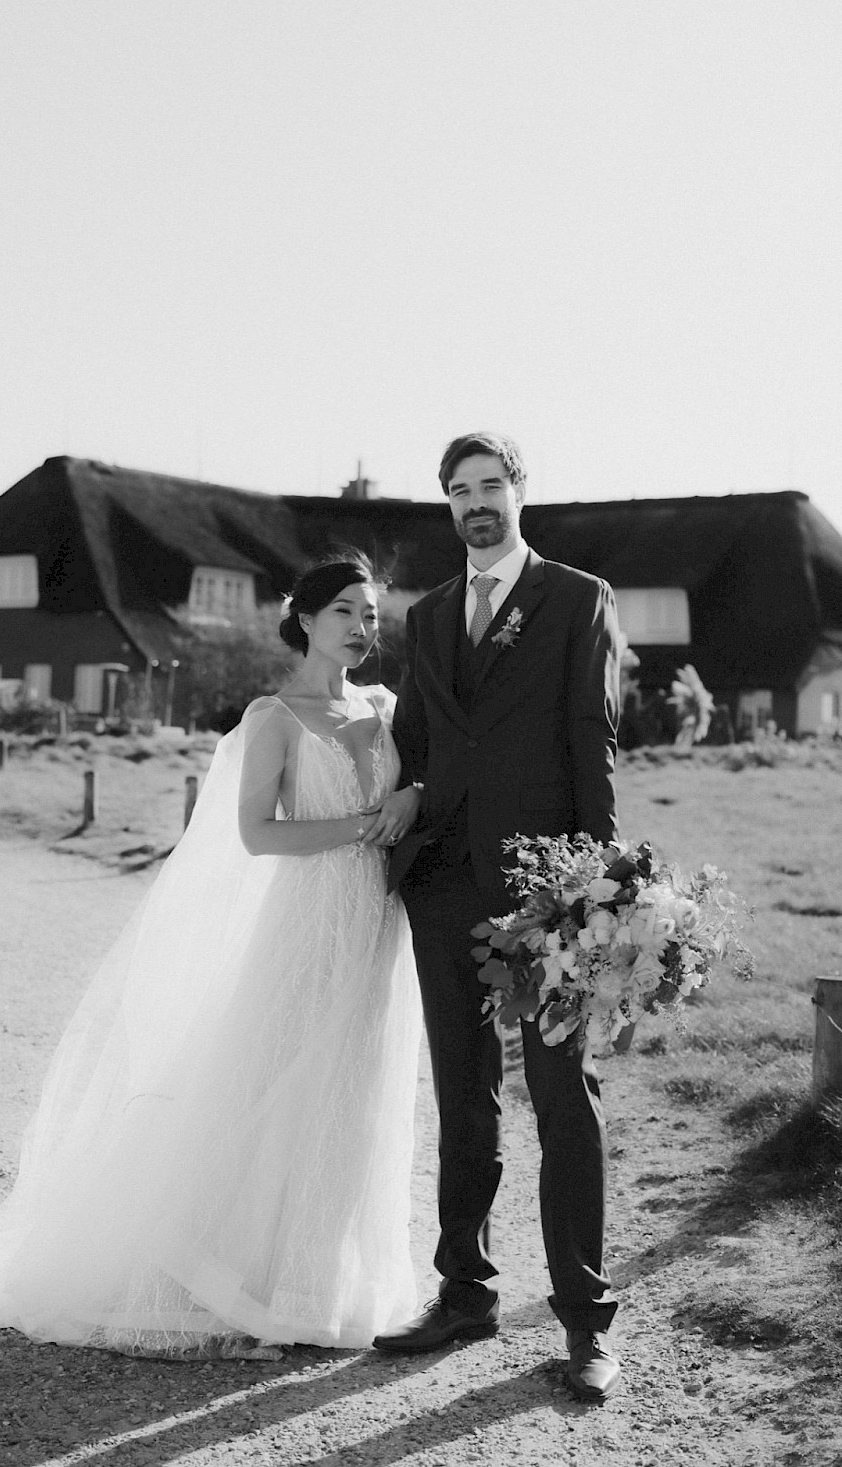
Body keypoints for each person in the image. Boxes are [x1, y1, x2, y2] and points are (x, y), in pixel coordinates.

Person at [0, 555, 423, 1356]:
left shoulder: (388, 707)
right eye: (346, 613)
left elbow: (427, 781)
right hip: (309, 919)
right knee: (281, 1080)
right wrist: (367, 825)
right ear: (307, 620)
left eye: (372, 617)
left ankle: (322, 1280)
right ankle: (242, 1274)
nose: (362, 629)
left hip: (377, 924)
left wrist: (412, 796)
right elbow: (258, 834)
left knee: (352, 1090)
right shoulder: (274, 717)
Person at [372, 432, 623, 1403]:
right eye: (458, 492)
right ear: (446, 506)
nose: (476, 503)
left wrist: (595, 889)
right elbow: (422, 738)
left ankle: (585, 1325)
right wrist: (406, 801)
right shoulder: (430, 614)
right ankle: (463, 1293)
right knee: (463, 1097)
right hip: (445, 884)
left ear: (520, 493)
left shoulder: (574, 598)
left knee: (564, 1098)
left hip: (544, 889)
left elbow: (587, 741)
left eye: (490, 486)